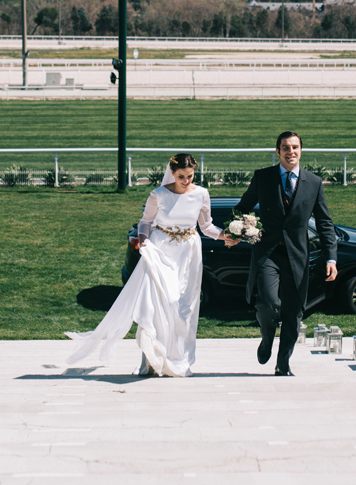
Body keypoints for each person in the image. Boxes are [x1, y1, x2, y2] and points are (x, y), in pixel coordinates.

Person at [65, 153, 238, 377]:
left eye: (190, 176)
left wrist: (224, 236)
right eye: (181, 176)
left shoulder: (202, 194)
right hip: (161, 251)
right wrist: (144, 240)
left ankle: (177, 358)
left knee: (183, 308)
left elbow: (206, 227)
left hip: (189, 254)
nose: (186, 180)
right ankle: (151, 358)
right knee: (159, 303)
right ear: (172, 174)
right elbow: (145, 222)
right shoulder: (158, 195)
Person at [235, 131, 338, 376]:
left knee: (294, 312)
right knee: (268, 302)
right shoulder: (263, 178)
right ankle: (267, 337)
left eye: (294, 147)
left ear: (301, 150)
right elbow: (241, 209)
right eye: (285, 147)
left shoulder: (313, 182)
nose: (290, 152)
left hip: (297, 256)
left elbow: (324, 222)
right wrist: (247, 230)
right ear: (278, 151)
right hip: (268, 253)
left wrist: (331, 257)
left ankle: (283, 362)